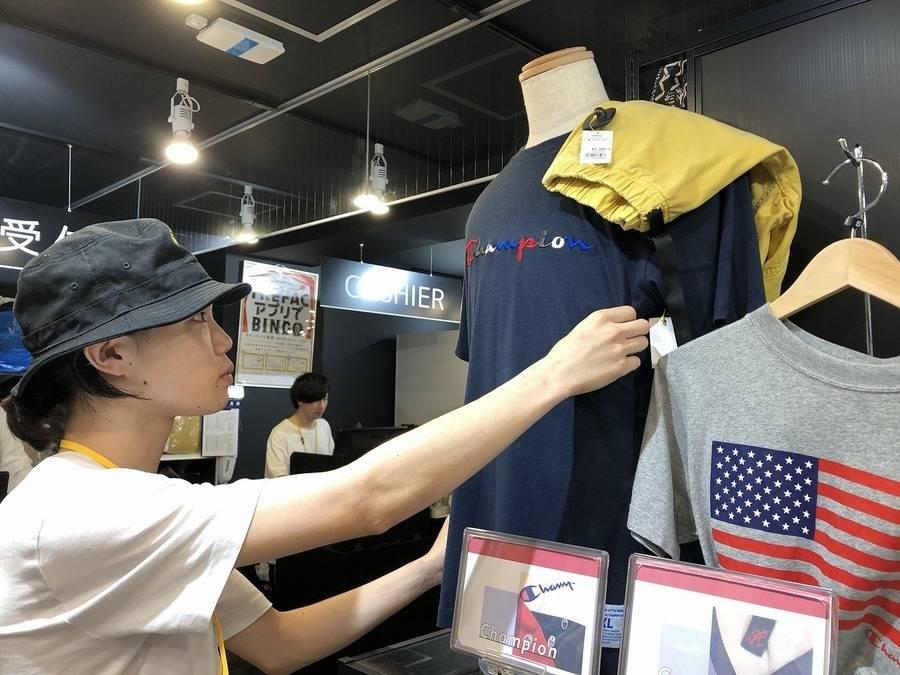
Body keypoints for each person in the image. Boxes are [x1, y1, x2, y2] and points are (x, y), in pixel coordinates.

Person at [0, 218, 649, 674]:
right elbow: (367, 497)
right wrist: (555, 374)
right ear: (113, 355)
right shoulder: (79, 512)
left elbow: (279, 643)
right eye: (196, 320)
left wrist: (431, 566)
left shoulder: (125, 510)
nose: (222, 340)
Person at [265, 372, 335, 478]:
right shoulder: (279, 434)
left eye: (325, 399)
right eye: (315, 400)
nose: (321, 406)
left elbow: (332, 465)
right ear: (300, 401)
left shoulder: (324, 426)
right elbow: (278, 478)